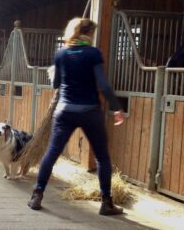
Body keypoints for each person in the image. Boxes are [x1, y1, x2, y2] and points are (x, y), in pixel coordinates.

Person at [27, 18, 125, 216]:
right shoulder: (94, 53)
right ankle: (106, 202)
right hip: (90, 111)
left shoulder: (61, 53)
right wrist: (116, 108)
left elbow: (56, 85)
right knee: (102, 157)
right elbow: (104, 86)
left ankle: (37, 195)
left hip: (65, 111)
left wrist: (59, 72)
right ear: (89, 33)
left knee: (52, 153)